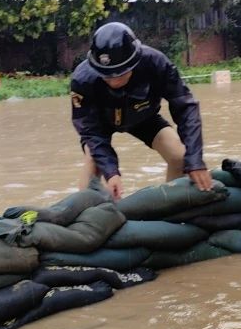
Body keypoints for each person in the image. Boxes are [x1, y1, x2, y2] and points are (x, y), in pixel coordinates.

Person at [70, 22, 212, 200]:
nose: (114, 81)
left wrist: (195, 160)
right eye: (107, 75)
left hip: (144, 117)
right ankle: (85, 211)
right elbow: (90, 130)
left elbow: (186, 107)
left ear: (135, 62)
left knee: (179, 156)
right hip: (101, 124)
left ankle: (170, 205)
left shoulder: (156, 63)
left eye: (120, 73)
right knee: (94, 160)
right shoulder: (82, 80)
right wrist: (111, 172)